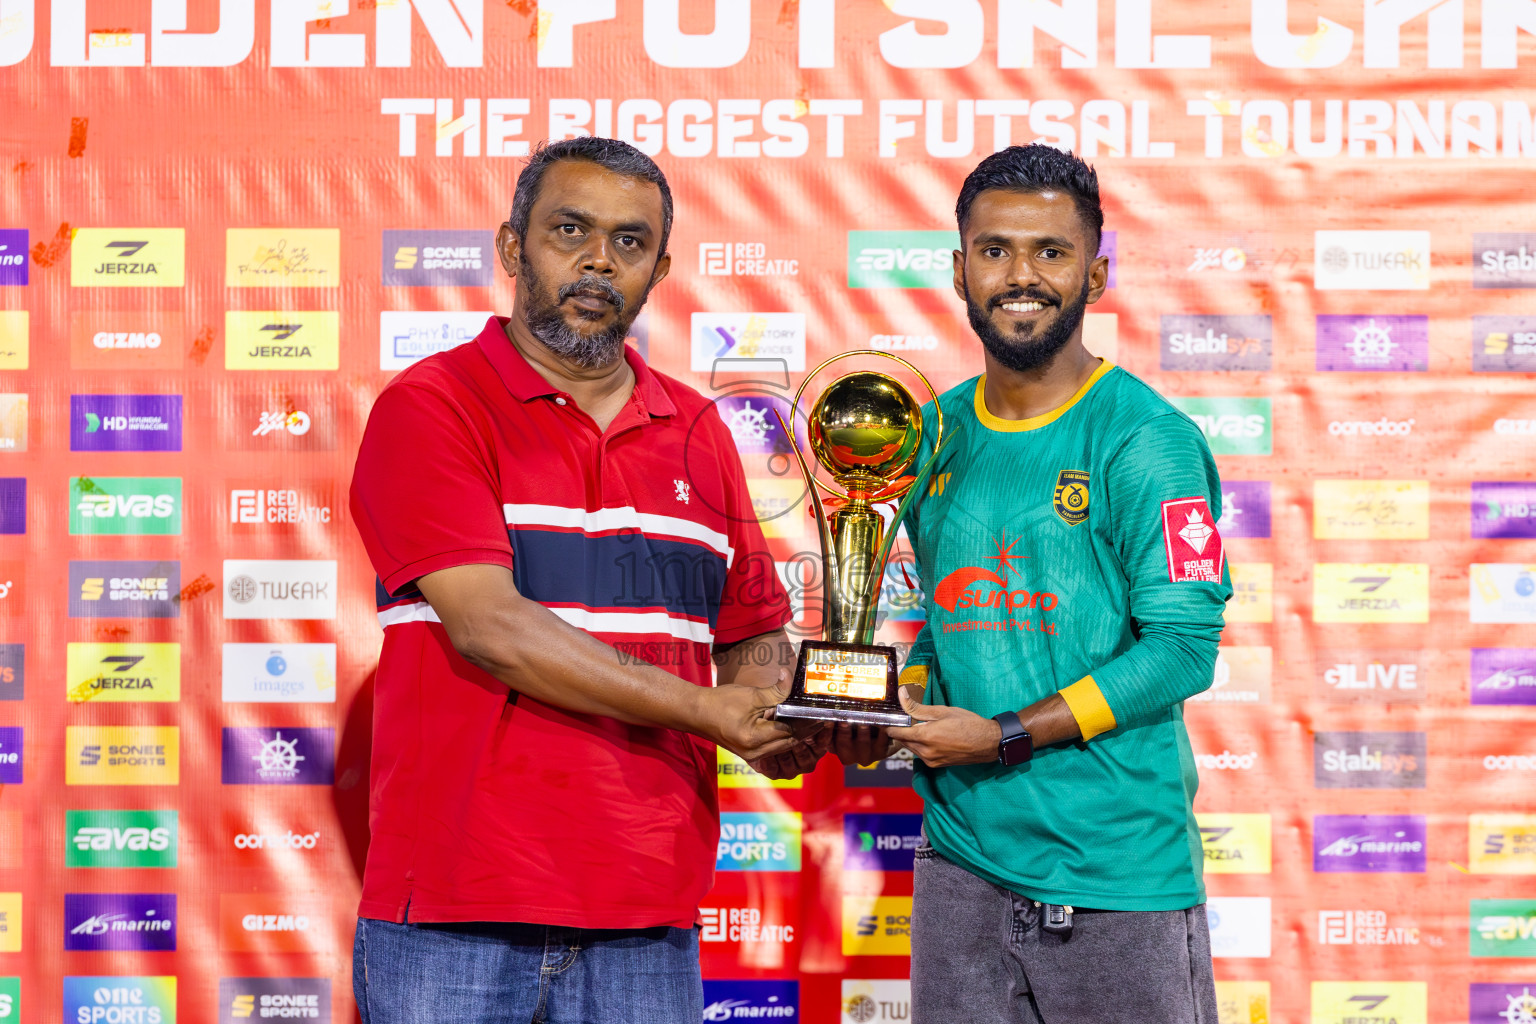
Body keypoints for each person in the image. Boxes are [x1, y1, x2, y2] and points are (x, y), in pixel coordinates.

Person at [348, 137, 827, 1024]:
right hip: (461, 908)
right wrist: (706, 712)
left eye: (630, 241)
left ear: (660, 267)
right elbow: (491, 627)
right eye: (570, 230)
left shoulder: (700, 429)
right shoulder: (433, 407)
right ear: (511, 247)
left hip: (649, 909)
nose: (599, 258)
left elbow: (752, 632)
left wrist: (782, 716)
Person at [884, 144, 1233, 1024]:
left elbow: (1182, 653)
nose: (1022, 276)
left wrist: (1001, 735)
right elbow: (947, 624)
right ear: (961, 270)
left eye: (1051, 251)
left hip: (1116, 882)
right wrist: (887, 715)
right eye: (995, 250)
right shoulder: (929, 434)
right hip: (960, 869)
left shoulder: (1150, 441)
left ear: (1098, 272)